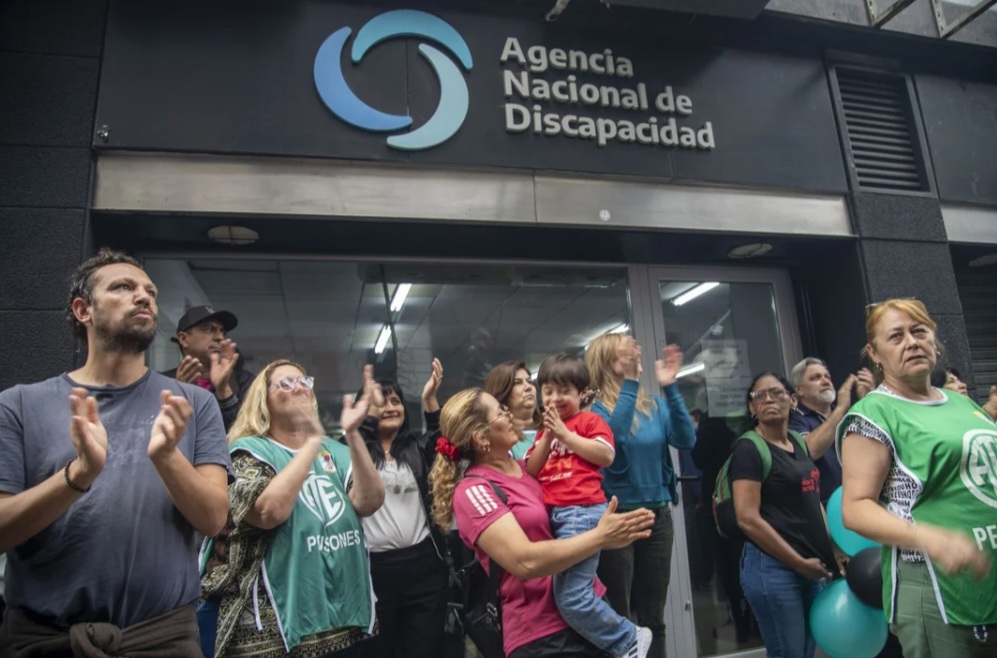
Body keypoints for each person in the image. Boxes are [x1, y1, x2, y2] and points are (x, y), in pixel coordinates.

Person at [0, 248, 231, 656]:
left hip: (163, 640)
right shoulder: (18, 405)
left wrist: (167, 459)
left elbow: (214, 519)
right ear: (83, 310)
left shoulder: (194, 404)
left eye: (150, 291)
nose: (143, 297)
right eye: (123, 287)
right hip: (47, 640)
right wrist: (79, 476)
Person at [429, 388, 656, 658]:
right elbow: (525, 561)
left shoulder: (529, 470)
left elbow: (566, 527)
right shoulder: (474, 490)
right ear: (481, 437)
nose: (509, 415)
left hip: (589, 614)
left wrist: (604, 531)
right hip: (541, 632)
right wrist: (599, 537)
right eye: (501, 412)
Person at [838, 298, 996, 658]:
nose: (911, 342)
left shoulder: (962, 403)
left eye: (919, 331)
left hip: (987, 581)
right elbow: (856, 508)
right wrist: (930, 539)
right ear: (874, 353)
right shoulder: (874, 413)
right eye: (896, 336)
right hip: (938, 593)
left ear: (934, 339)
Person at [201, 361, 385, 658]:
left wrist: (352, 434)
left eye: (304, 381)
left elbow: (369, 502)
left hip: (340, 617)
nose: (299, 387)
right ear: (263, 401)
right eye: (285, 383)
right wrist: (310, 443)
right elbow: (267, 513)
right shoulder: (247, 449)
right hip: (275, 626)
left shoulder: (334, 450)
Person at [525, 354, 651, 658]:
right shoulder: (544, 431)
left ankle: (628, 638)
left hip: (580, 510)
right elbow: (530, 470)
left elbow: (605, 455)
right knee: (572, 592)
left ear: (582, 394)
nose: (555, 398)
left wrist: (565, 434)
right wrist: (549, 435)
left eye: (564, 391)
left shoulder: (589, 421)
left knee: (571, 597)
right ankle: (620, 642)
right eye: (548, 391)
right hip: (557, 514)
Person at [585, 334, 697, 658]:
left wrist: (670, 386)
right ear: (608, 360)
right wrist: (631, 382)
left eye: (636, 349)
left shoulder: (654, 405)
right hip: (617, 517)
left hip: (657, 516)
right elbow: (614, 438)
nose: (637, 353)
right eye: (627, 350)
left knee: (653, 614)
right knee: (619, 613)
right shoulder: (594, 410)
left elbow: (686, 439)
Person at [731, 372, 840, 658]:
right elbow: (747, 518)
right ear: (752, 407)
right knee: (788, 652)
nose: (768, 399)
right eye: (759, 396)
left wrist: (833, 549)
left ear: (792, 401)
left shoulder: (798, 443)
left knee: (806, 652)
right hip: (773, 569)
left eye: (776, 393)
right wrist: (798, 563)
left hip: (809, 565)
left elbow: (812, 501)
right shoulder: (748, 448)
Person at [357, 359, 449, 658]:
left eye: (395, 401)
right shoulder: (354, 452)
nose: (389, 408)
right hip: (374, 570)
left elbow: (442, 442)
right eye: (380, 403)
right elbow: (358, 440)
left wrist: (429, 400)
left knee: (424, 649)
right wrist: (367, 418)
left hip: (424, 565)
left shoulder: (416, 448)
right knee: (379, 650)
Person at [788, 358, 874, 503]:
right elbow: (810, 450)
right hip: (825, 506)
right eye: (816, 378)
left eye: (827, 377)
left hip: (861, 501)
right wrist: (841, 408)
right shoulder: (795, 418)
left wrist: (868, 400)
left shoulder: (848, 415)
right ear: (799, 390)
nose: (825, 381)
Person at [164, 305, 256, 431]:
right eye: (209, 329)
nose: (220, 337)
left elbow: (248, 433)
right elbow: (151, 431)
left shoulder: (244, 381)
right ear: (183, 339)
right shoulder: (162, 382)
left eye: (222, 331)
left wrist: (224, 390)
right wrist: (179, 393)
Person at [484, 361, 541, 459]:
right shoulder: (503, 442)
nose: (528, 387)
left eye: (530, 382)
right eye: (517, 383)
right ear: (503, 393)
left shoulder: (554, 427)